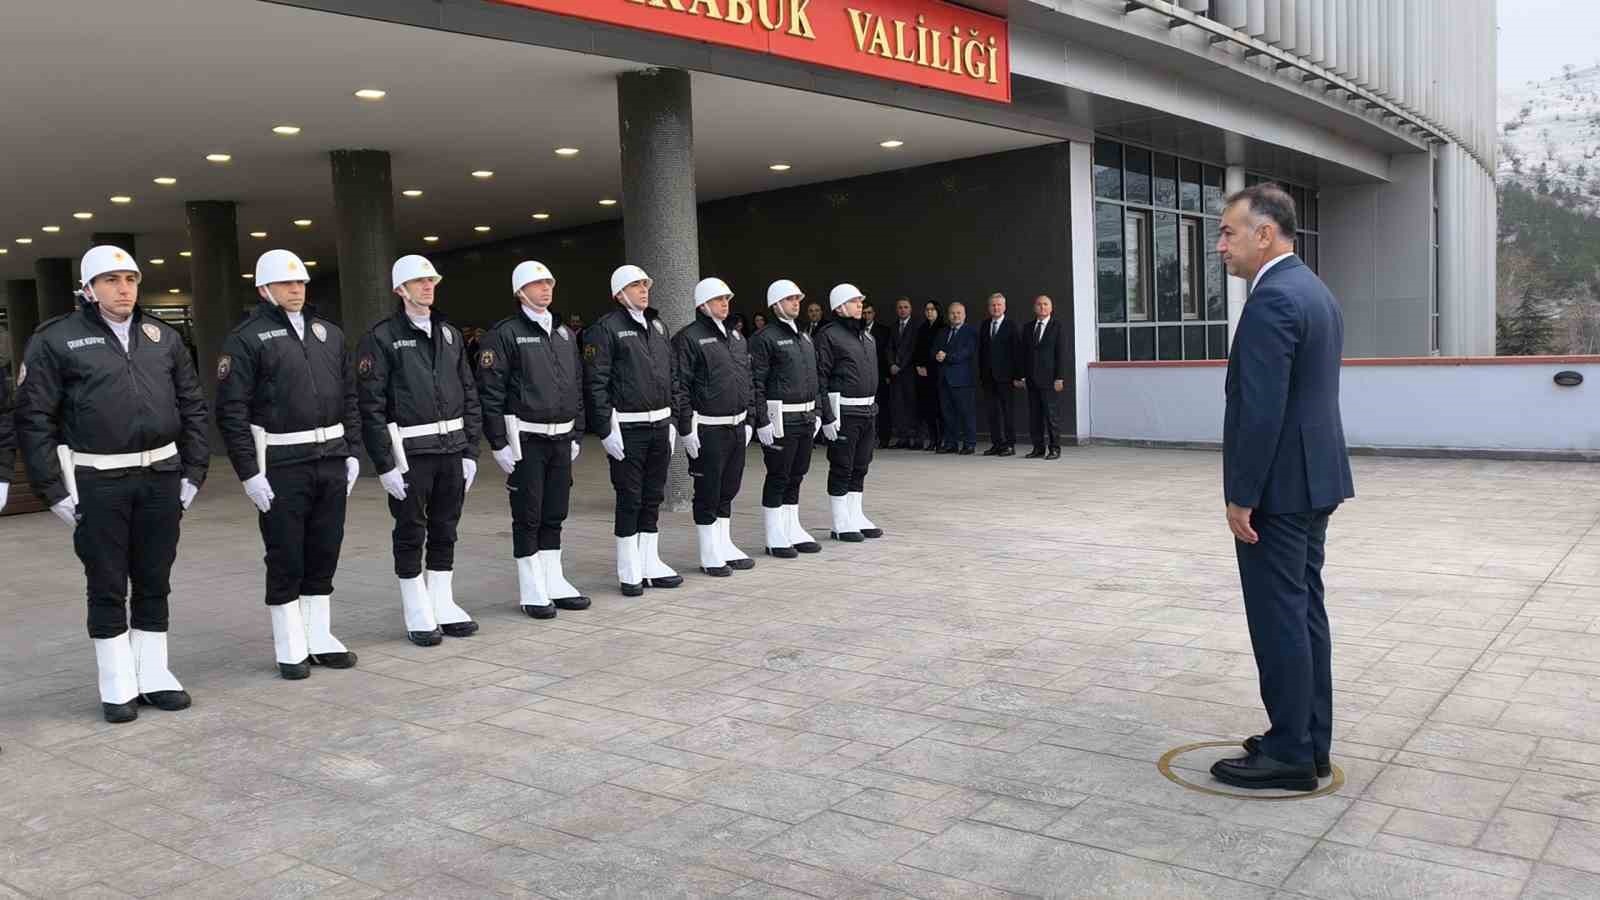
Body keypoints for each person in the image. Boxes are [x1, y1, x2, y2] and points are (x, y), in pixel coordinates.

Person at [15, 245, 209, 722]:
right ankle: (118, 683)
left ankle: (154, 674)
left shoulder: (163, 337)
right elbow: (34, 417)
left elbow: (193, 407)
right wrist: (52, 489)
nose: (124, 289)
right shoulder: (56, 339)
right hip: (98, 479)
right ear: (88, 288)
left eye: (130, 279)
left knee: (153, 579)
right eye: (111, 280)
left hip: (161, 476)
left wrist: (194, 471)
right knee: (106, 583)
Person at [1210, 184, 1354, 793]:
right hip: (1314, 477)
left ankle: (1291, 752)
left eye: (1228, 233)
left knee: (1279, 618)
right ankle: (1307, 738)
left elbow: (1262, 410)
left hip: (1279, 489)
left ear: (1265, 234)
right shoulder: (1314, 290)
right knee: (1303, 610)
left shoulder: (1272, 300)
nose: (1220, 245)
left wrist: (1242, 494)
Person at [216, 249, 361, 679]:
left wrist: (352, 449)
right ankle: (290, 644)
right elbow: (232, 411)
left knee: (324, 549)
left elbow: (349, 397)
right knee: (285, 555)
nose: (295, 289)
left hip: (330, 457)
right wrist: (249, 472)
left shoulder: (328, 333)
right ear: (264, 290)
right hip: (281, 462)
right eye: (285, 284)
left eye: (300, 282)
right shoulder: (246, 339)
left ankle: (319, 636)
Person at [356, 255, 483, 647]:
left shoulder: (448, 334)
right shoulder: (381, 338)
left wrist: (470, 451)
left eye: (431, 280)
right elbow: (371, 406)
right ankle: (416, 608)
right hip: (410, 452)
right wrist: (385, 464)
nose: (428, 287)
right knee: (411, 530)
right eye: (419, 282)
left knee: (446, 528)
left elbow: (469, 393)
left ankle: (441, 601)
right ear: (400, 290)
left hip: (451, 449)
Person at [478, 260, 591, 619]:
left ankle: (553, 580)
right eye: (538, 283)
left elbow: (576, 385)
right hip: (525, 438)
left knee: (554, 512)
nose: (546, 289)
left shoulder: (562, 333)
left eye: (549, 282)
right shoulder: (505, 334)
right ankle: (532, 589)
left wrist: (576, 432)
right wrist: (498, 442)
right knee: (528, 515)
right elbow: (490, 391)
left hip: (560, 437)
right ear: (520, 291)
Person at [585, 264, 683, 596]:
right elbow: (596, 383)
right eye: (636, 285)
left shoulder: (657, 326)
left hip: (659, 424)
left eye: (645, 284)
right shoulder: (605, 329)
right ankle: (629, 570)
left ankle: (649, 562)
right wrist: (605, 429)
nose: (643, 289)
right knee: (630, 497)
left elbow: (671, 376)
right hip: (627, 427)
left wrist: (672, 420)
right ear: (619, 293)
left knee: (653, 496)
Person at [672, 277, 757, 577]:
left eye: (727, 298)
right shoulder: (688, 338)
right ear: (703, 304)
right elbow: (680, 385)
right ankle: (710, 553)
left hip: (735, 426)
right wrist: (686, 427)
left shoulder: (736, 337)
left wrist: (750, 419)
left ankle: (724, 544)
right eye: (719, 299)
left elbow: (749, 380)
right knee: (708, 490)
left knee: (728, 489)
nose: (725, 303)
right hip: (708, 428)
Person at [749, 279, 823, 559]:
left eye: (797, 298)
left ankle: (792, 527)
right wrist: (762, 421)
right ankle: (774, 535)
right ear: (776, 304)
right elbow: (756, 382)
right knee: (779, 475)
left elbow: (813, 377)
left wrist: (817, 411)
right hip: (781, 419)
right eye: (790, 298)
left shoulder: (804, 336)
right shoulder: (764, 338)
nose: (796, 303)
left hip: (804, 416)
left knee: (797, 475)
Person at [815, 284, 882, 542]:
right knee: (842, 465)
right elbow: (820, 378)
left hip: (867, 410)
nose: (860, 305)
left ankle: (856, 514)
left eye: (861, 301)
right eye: (855, 301)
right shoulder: (829, 335)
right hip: (845, 411)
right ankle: (840, 521)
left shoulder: (866, 335)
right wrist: (828, 415)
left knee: (861, 465)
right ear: (840, 306)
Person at [1021, 295, 1069, 459]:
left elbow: (1061, 354)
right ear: (1034, 307)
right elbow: (1024, 354)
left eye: (1045, 304)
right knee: (1034, 416)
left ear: (1051, 307)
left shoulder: (1057, 327)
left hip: (1050, 379)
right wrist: (1023, 376)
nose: (1042, 307)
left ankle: (1054, 449)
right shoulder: (1028, 328)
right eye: (1039, 304)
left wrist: (1059, 377)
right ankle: (1038, 448)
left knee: (1051, 416)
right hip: (1032, 378)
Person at [978, 292, 1023, 456]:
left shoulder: (1011, 326)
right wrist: (982, 375)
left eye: (998, 305)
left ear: (1004, 307)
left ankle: (1009, 445)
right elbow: (982, 352)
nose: (995, 307)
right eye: (993, 305)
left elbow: (1017, 352)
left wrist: (1018, 376)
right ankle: (997, 444)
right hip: (988, 378)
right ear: (989, 307)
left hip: (1006, 378)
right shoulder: (984, 325)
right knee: (992, 412)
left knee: (1007, 412)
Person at [935, 301, 978, 454]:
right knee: (948, 414)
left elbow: (966, 353)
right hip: (944, 380)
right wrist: (937, 355)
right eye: (952, 313)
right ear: (948, 315)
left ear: (964, 315)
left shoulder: (970, 332)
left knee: (966, 413)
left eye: (959, 313)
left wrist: (946, 356)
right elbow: (934, 350)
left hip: (963, 380)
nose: (955, 315)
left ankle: (969, 444)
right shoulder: (942, 332)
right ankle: (951, 443)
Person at [886, 297, 918, 449]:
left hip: (910, 373)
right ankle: (902, 438)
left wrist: (900, 365)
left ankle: (915, 438)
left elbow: (912, 349)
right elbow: (889, 348)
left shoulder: (916, 326)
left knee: (912, 406)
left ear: (910, 309)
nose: (903, 310)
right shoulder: (893, 327)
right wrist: (892, 364)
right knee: (898, 406)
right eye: (900, 307)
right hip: (896, 374)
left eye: (905, 307)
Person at [913, 300, 945, 451]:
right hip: (922, 374)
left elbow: (940, 351)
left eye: (932, 309)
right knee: (928, 409)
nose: (929, 312)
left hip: (937, 373)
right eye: (927, 309)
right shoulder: (922, 328)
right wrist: (919, 366)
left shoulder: (943, 328)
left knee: (939, 409)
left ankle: (942, 440)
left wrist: (929, 367)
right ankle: (933, 439)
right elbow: (917, 350)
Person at [863, 303, 893, 448]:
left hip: (880, 375)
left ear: (874, 314)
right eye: (864, 313)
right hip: (862, 376)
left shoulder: (883, 331)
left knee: (882, 408)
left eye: (869, 313)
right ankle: (867, 438)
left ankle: (884, 438)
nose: (866, 316)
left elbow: (886, 353)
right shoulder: (856, 330)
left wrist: (887, 374)